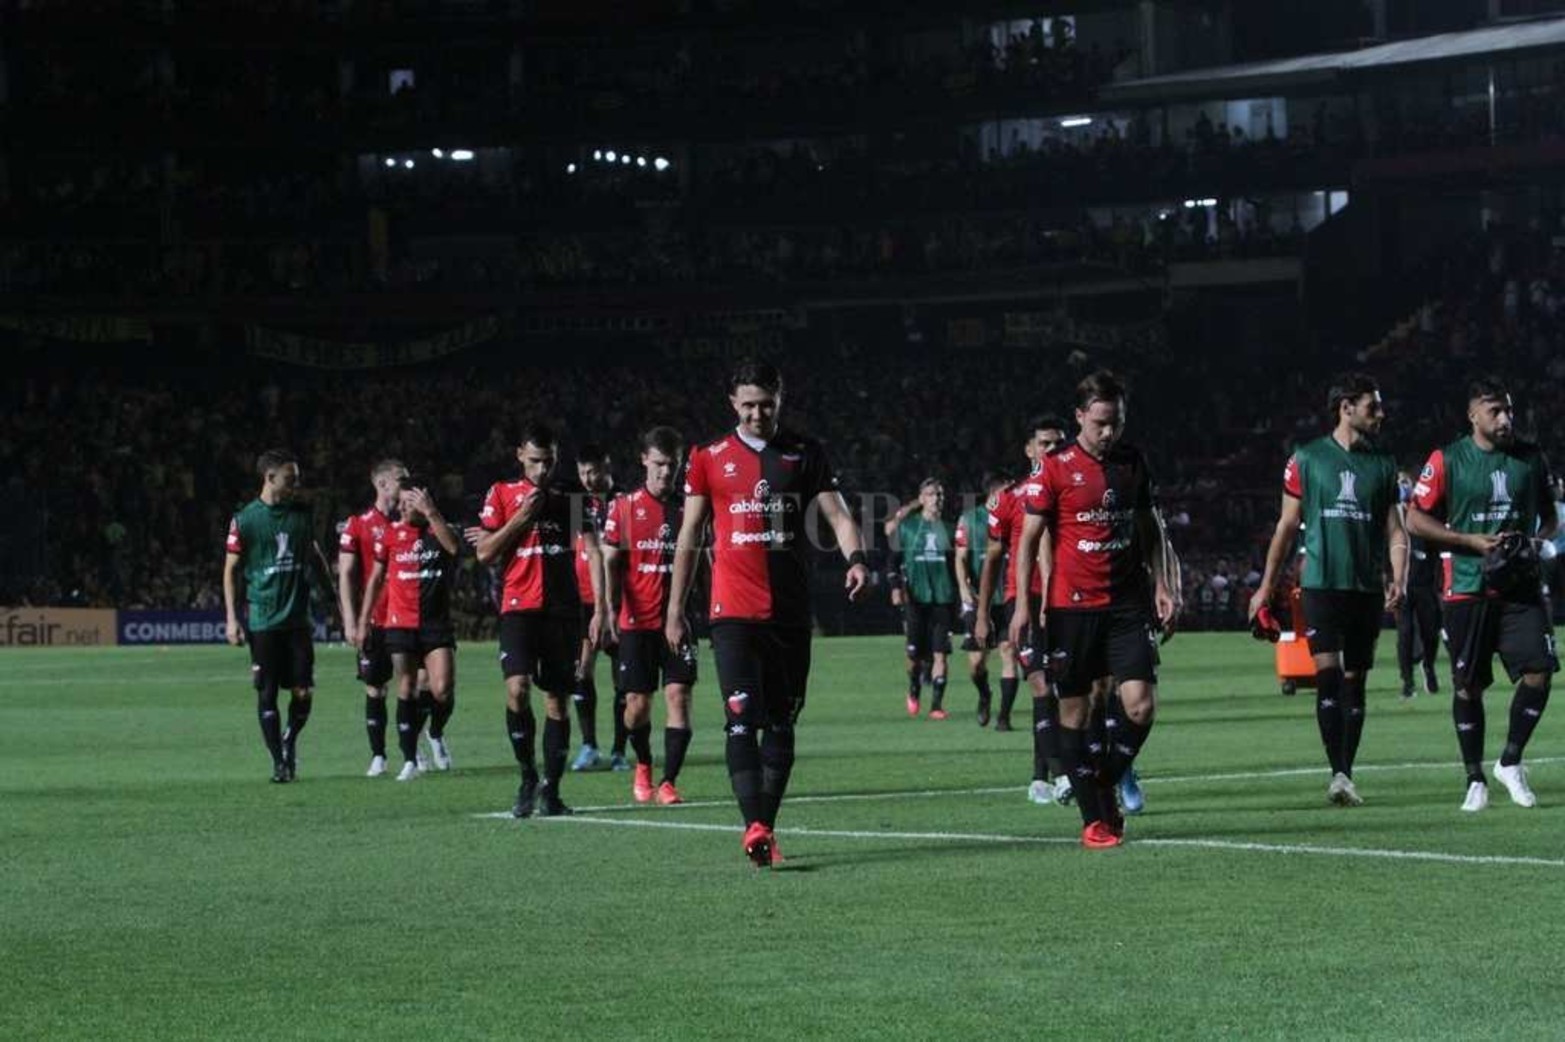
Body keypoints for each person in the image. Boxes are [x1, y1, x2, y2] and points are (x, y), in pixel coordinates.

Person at [665, 359, 870, 867]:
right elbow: (690, 535)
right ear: (732, 404)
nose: (757, 414)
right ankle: (753, 824)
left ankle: (765, 827)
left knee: (781, 722)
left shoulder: (805, 452)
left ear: (781, 399)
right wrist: (675, 609)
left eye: (766, 404)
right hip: (732, 611)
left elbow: (839, 514)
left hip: (790, 613)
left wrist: (857, 560)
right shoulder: (707, 457)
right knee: (740, 716)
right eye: (748, 405)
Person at [1011, 372, 1177, 848]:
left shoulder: (1132, 461)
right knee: (1076, 711)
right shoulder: (1054, 468)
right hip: (1072, 609)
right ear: (1080, 416)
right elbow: (1029, 541)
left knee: (1140, 705)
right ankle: (1094, 819)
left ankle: (1104, 778)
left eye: (1116, 422)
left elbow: (1149, 528)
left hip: (1126, 605)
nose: (1109, 432)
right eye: (1101, 422)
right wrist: (1023, 606)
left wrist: (1162, 583)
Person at [1249, 373, 1405, 808]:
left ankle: (1345, 773)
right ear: (1346, 408)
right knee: (1329, 677)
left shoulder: (1383, 464)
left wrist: (1399, 576)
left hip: (1365, 588)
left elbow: (1396, 529)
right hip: (1320, 584)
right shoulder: (1307, 459)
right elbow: (1286, 526)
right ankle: (1338, 772)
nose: (1381, 414)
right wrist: (1265, 587)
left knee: (1356, 681)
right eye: (1373, 406)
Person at [1407, 378, 1557, 812]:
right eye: (1495, 411)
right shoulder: (1448, 459)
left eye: (1508, 410)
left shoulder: (1530, 457)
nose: (1506, 418)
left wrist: (1539, 542)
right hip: (1467, 585)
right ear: (1473, 416)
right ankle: (1474, 778)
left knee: (1539, 669)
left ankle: (1510, 761)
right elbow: (1415, 518)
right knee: (1468, 686)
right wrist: (1468, 541)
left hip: (1521, 587)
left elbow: (1550, 516)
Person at [475, 423, 611, 818]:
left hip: (563, 609)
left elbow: (593, 551)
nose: (542, 469)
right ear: (520, 455)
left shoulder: (572, 496)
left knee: (557, 699)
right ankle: (527, 776)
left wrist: (601, 609)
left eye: (548, 461)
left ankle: (551, 790)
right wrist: (520, 519)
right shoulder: (501, 493)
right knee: (517, 689)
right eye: (535, 461)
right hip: (518, 607)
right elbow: (484, 552)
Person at [976, 416, 1069, 805]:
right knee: (1040, 683)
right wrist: (983, 613)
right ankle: (1063, 775)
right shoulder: (1009, 499)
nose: (1052, 450)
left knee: (1060, 690)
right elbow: (992, 560)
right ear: (1029, 449)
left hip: (1068, 601)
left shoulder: (1075, 492)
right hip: (1025, 602)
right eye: (1044, 443)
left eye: (1058, 443)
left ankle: (1038, 777)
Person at [223, 449, 329, 784]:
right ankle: (279, 763)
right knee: (267, 693)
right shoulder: (245, 520)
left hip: (297, 620)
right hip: (263, 620)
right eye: (289, 478)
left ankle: (289, 739)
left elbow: (315, 556)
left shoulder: (302, 515)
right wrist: (232, 618)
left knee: (303, 692)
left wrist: (333, 599)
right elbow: (230, 570)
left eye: (296, 478)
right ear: (269, 478)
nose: (296, 484)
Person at [603, 426, 697, 805]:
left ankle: (669, 781)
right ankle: (643, 762)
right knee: (637, 706)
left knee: (679, 694)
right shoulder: (623, 508)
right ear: (644, 460)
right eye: (659, 463)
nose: (665, 472)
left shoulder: (689, 510)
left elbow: (702, 561)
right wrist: (608, 610)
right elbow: (610, 562)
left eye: (672, 465)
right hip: (636, 623)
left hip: (678, 621)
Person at [338, 459, 439, 778]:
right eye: (401, 479)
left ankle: (413, 743)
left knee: (422, 684)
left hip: (408, 620)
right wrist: (352, 620)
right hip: (376, 620)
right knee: (375, 687)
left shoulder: (412, 523)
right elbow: (346, 575)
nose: (407, 484)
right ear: (381, 484)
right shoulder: (358, 524)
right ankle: (379, 756)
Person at [359, 483, 461, 782]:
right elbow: (376, 579)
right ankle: (409, 759)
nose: (402, 507)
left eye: (409, 502)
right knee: (407, 686)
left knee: (442, 689)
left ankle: (435, 732)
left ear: (424, 501)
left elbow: (454, 548)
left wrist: (432, 513)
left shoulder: (439, 530)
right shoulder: (390, 534)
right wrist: (364, 620)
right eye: (400, 502)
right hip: (400, 623)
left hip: (435, 625)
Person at [569, 444, 627, 772]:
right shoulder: (577, 505)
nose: (588, 479)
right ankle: (589, 745)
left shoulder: (625, 502)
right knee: (582, 670)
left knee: (623, 678)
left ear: (607, 466)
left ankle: (619, 751)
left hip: (620, 602)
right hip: (583, 600)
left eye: (593, 471)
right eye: (582, 473)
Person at [884, 479, 959, 720]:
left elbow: (959, 565)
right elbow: (892, 561)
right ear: (922, 499)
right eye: (931, 494)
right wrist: (896, 587)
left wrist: (964, 591)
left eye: (940, 494)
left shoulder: (951, 529)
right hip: (915, 600)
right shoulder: (907, 528)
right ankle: (914, 687)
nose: (936, 499)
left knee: (940, 654)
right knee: (914, 656)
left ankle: (936, 706)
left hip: (943, 599)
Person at [955, 472, 1013, 727]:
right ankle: (984, 694)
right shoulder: (970, 519)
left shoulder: (1016, 515)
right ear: (994, 492)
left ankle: (1004, 717)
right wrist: (964, 588)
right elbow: (960, 557)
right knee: (977, 664)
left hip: (1007, 597)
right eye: (1007, 490)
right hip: (979, 600)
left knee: (1008, 652)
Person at [1395, 470, 1442, 700]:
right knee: (1405, 634)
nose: (1402, 486)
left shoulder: (1423, 513)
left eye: (1405, 482)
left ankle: (1428, 665)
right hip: (1402, 585)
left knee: (1430, 631)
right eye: (1399, 483)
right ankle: (1407, 681)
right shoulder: (1391, 516)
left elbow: (1436, 545)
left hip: (1424, 582)